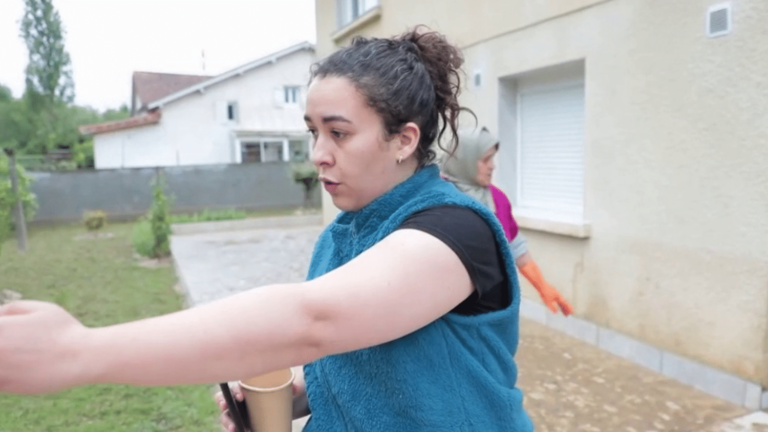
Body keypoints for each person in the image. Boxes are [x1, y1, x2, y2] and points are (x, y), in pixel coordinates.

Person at [0, 27, 533, 432]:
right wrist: (296, 393)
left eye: (339, 133)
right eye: (313, 132)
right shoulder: (342, 235)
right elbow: (354, 359)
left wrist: (79, 351)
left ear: (403, 139)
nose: (318, 155)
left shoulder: (456, 233)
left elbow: (313, 321)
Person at [441, 126, 574, 316]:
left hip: (492, 309)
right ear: (465, 160)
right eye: (485, 159)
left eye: (492, 158)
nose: (492, 166)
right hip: (449, 311)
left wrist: (543, 287)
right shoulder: (438, 198)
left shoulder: (497, 199)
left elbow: (515, 247)